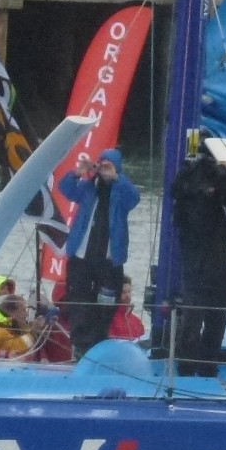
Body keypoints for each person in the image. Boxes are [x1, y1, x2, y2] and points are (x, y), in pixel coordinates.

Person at [170, 145, 226, 377]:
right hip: (197, 272)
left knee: (217, 323)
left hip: (224, 272)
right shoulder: (189, 200)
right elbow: (193, 222)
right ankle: (186, 368)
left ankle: (208, 366)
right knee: (192, 323)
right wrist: (202, 195)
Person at [58, 147, 140, 359]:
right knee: (79, 298)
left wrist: (116, 178)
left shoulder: (122, 190)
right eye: (101, 165)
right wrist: (79, 172)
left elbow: (134, 199)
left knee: (106, 301)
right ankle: (80, 345)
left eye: (107, 166)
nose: (102, 170)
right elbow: (65, 189)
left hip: (109, 258)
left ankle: (99, 341)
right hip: (82, 255)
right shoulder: (88, 187)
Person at [107, 276, 146, 340]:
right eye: (123, 292)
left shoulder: (137, 321)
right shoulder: (110, 319)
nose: (128, 296)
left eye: (129, 292)